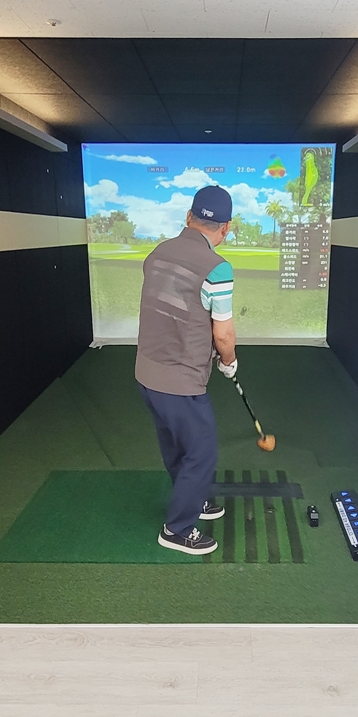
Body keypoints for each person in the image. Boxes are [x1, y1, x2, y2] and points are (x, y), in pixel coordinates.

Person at [135, 185, 239, 556]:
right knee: (202, 452)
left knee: (175, 444)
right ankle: (177, 529)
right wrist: (229, 362)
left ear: (189, 217)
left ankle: (192, 499)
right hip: (180, 381)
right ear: (225, 228)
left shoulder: (157, 253)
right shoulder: (218, 268)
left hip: (146, 374)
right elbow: (223, 334)